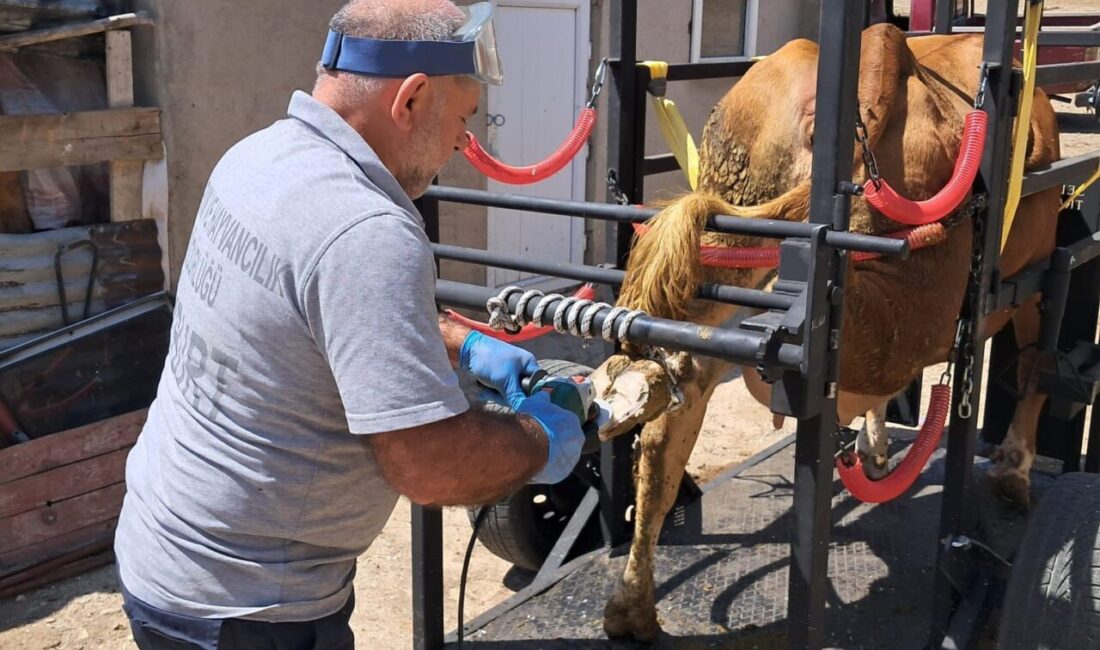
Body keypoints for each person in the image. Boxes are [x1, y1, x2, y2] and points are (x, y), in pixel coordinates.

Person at [113, 1, 585, 647]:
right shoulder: (365, 230)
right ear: (413, 98)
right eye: (463, 120)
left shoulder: (261, 156)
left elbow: (311, 315)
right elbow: (429, 465)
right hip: (250, 608)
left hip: (171, 549)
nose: (463, 145)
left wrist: (462, 344)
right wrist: (544, 437)